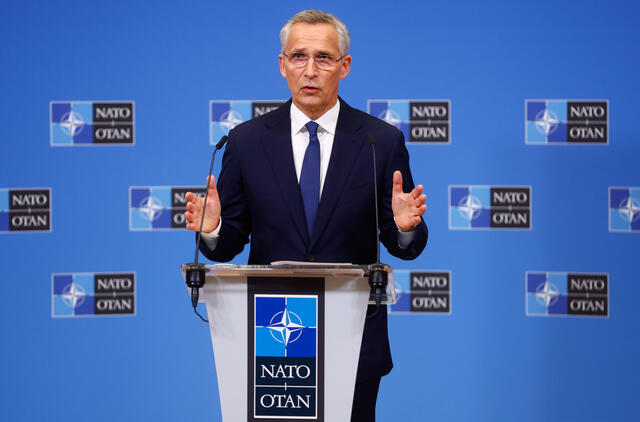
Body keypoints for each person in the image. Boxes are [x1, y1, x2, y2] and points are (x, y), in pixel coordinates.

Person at [185, 9, 428, 422]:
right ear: (282, 64)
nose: (310, 70)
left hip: (353, 337)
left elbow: (404, 245)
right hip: (273, 336)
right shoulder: (246, 142)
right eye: (299, 56)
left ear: (344, 66)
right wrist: (214, 229)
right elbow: (227, 245)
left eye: (324, 58)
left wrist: (405, 227)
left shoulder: (380, 141)